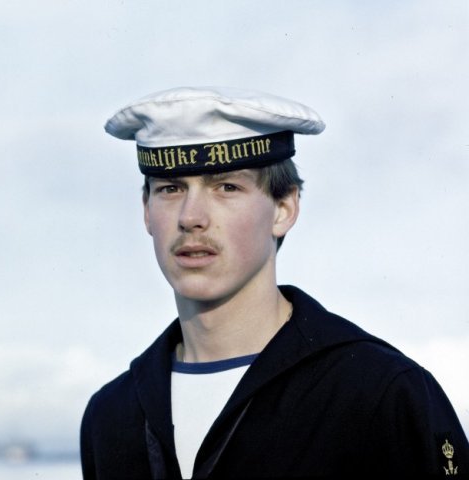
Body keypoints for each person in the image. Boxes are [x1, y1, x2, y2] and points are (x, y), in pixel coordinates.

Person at [80, 86, 469, 479]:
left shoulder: (379, 392)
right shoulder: (111, 414)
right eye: (170, 188)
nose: (191, 217)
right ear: (146, 210)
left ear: (284, 208)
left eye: (226, 187)